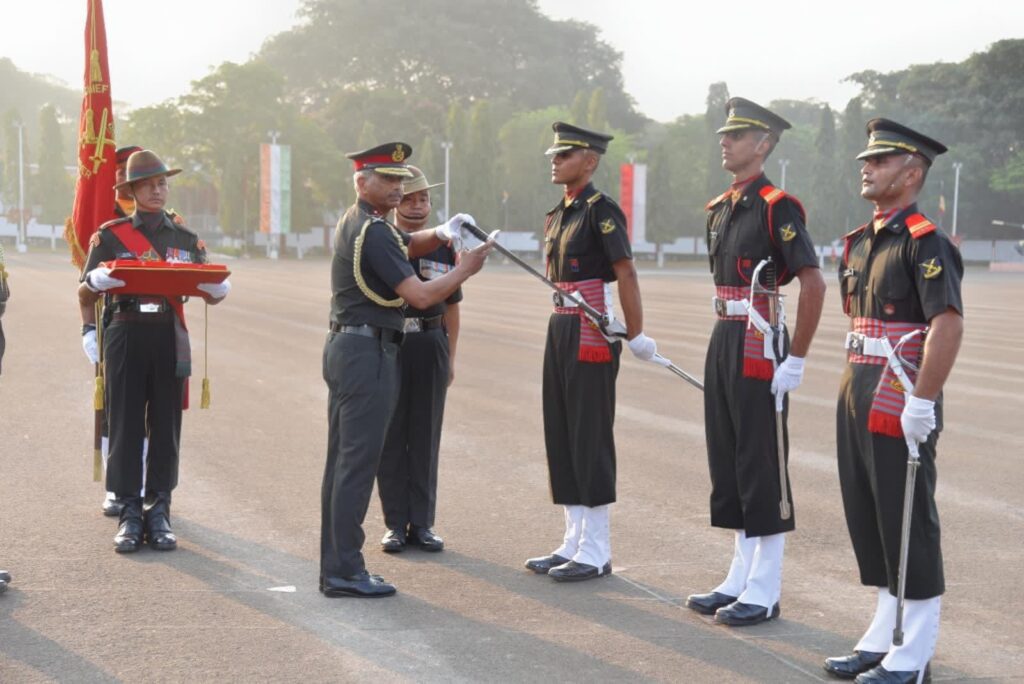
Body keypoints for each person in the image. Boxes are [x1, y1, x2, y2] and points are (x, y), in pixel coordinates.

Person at [321, 142, 494, 598]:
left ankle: (338, 565)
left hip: (350, 347)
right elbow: (419, 296)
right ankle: (344, 570)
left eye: (402, 180)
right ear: (363, 181)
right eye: (388, 179)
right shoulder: (375, 231)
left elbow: (408, 242)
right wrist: (466, 269)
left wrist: (442, 231)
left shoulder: (359, 222)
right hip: (368, 353)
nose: (398, 188)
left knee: (343, 464)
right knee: (357, 466)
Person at [825, 120, 962, 684]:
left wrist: (923, 402)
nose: (867, 166)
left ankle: (914, 650)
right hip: (858, 381)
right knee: (871, 515)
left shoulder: (925, 240)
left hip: (901, 388)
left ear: (911, 173)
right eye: (866, 159)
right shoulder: (861, 240)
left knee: (908, 521)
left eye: (879, 161)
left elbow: (946, 326)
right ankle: (884, 631)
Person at [685, 98, 825, 626]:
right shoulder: (722, 206)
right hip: (725, 333)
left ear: (762, 144)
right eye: (724, 133)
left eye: (737, 134)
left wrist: (798, 358)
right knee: (729, 458)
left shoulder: (776, 206)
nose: (725, 140)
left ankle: (765, 589)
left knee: (761, 462)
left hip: (759, 340)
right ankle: (739, 576)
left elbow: (811, 279)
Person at [524, 122, 660, 583]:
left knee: (589, 437)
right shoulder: (557, 214)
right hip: (560, 325)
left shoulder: (601, 212)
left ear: (590, 160)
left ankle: (597, 547)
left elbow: (625, 272)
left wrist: (636, 332)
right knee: (560, 434)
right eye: (554, 154)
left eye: (564, 155)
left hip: (589, 331)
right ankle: (572, 539)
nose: (554, 160)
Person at [78, 149, 230, 554]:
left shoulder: (184, 237)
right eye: (149, 185)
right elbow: (85, 288)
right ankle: (129, 511)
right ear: (131, 191)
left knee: (165, 424)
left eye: (163, 183)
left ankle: (159, 509)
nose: (158, 190)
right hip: (125, 332)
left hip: (167, 332)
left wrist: (218, 291)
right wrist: (89, 325)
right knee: (125, 421)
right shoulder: (109, 235)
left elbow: (206, 285)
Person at [376, 166, 460, 553]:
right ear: (395, 201)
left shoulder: (445, 245)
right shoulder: (382, 239)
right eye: (408, 198)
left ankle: (423, 523)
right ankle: (395, 524)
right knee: (390, 435)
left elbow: (452, 307)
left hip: (430, 342)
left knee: (425, 435)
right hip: (391, 342)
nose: (416, 205)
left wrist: (451, 357)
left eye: (423, 198)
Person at [98, 144, 142, 518]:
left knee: (152, 411)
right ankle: (116, 487)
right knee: (113, 408)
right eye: (122, 171)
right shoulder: (103, 219)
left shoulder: (167, 219)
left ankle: (142, 484)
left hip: (158, 323)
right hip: (114, 322)